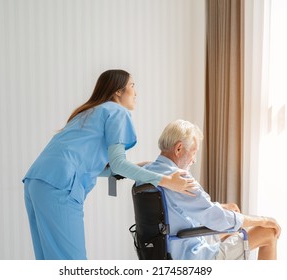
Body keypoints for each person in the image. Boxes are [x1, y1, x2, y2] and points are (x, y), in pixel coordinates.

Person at [22, 70, 196, 260]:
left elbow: (88, 165)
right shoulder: (117, 111)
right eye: (132, 86)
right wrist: (167, 180)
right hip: (60, 186)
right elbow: (119, 163)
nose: (136, 92)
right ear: (118, 91)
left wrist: (131, 169)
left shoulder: (89, 112)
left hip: (37, 182)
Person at [139, 119, 281, 260]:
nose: (194, 160)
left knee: (231, 220)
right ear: (178, 149)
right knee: (268, 232)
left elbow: (177, 212)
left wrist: (222, 208)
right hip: (192, 256)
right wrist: (263, 220)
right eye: (193, 153)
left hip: (170, 249)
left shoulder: (145, 173)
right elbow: (216, 218)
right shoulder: (180, 179)